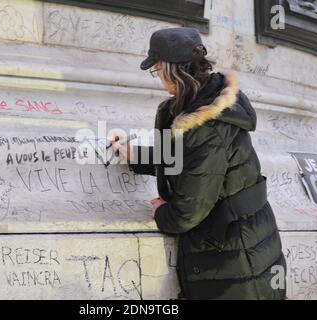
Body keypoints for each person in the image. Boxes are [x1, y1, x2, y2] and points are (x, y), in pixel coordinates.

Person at [111, 27, 287, 300]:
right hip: (238, 244)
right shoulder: (201, 103)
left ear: (172, 70)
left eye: (156, 70)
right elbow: (186, 159)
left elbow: (188, 212)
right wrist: (133, 154)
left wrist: (161, 213)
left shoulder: (207, 127)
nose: (157, 78)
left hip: (235, 259)